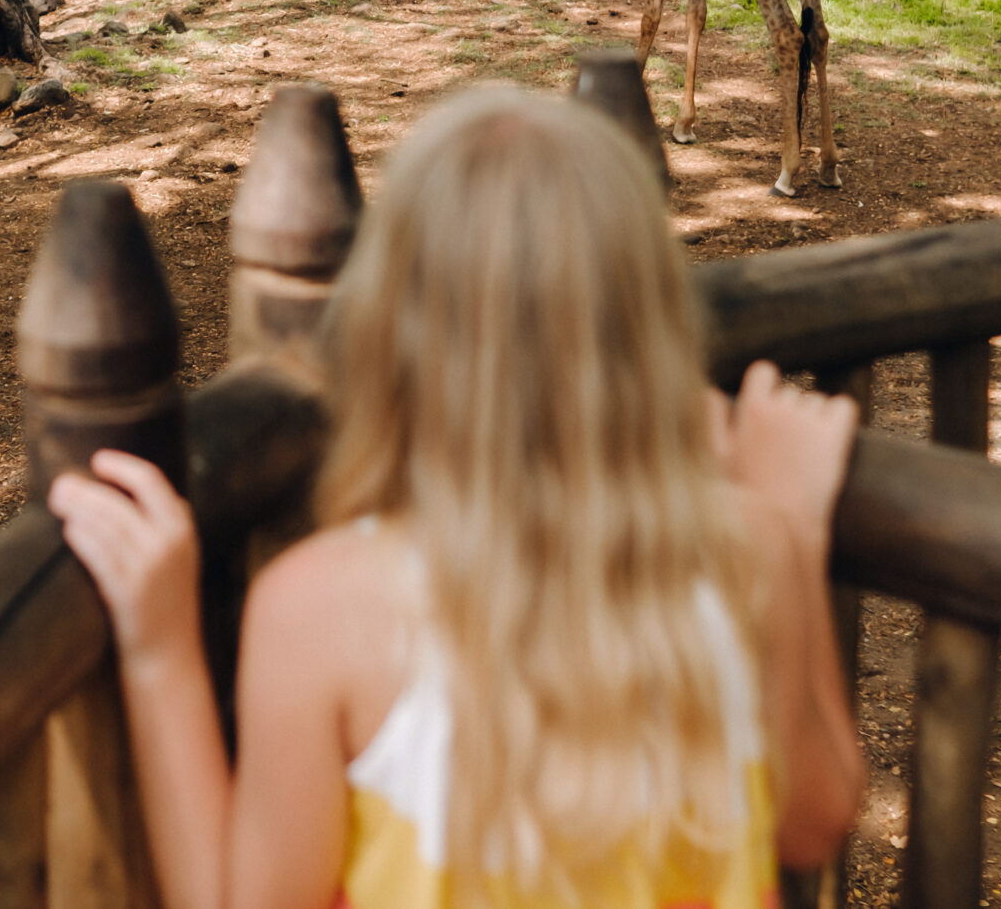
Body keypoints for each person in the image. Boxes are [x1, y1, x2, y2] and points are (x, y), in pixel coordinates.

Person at [50, 88, 865, 909]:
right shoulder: (752, 550)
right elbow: (815, 819)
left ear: (390, 338)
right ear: (652, 331)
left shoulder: (319, 609)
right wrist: (792, 520)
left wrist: (158, 652)